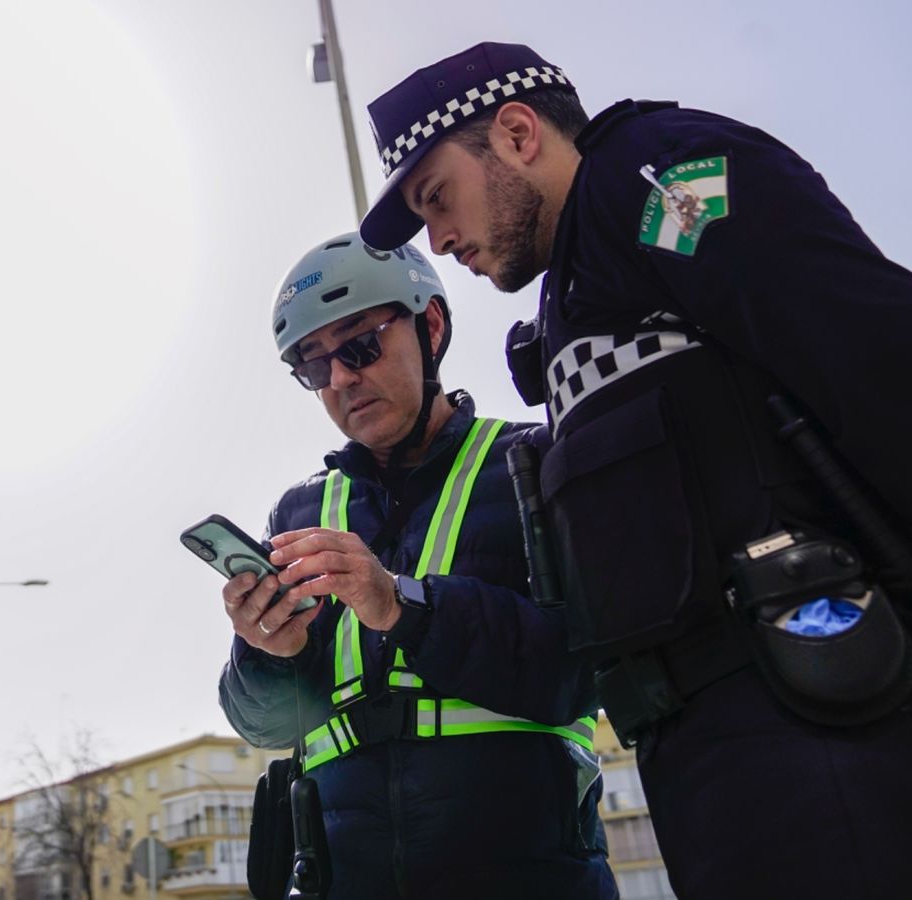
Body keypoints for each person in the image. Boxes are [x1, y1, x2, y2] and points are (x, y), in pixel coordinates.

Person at [357, 41, 912, 898]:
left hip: (825, 718)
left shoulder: (655, 178)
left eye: (437, 199)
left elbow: (876, 360)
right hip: (712, 756)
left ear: (516, 134)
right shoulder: (577, 285)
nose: (439, 240)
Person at [217, 233, 615, 899]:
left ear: (430, 324)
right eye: (314, 368)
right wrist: (265, 652)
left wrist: (402, 605)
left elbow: (582, 669)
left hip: (525, 874)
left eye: (359, 346)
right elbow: (267, 725)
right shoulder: (301, 509)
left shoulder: (531, 462)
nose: (341, 379)